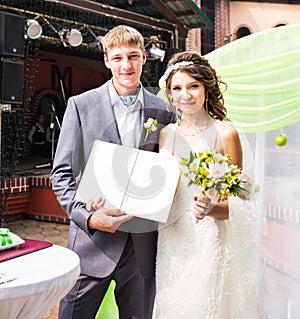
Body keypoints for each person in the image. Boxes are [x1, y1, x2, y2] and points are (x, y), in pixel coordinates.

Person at [50, 25, 174, 319]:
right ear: (107, 60)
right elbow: (61, 174)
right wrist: (89, 217)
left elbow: (168, 172)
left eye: (133, 56)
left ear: (144, 57)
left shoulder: (163, 111)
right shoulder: (81, 105)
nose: (126, 65)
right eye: (118, 58)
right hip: (92, 245)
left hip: (142, 248)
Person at [154, 51, 265, 318]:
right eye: (177, 88)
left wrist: (210, 208)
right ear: (170, 93)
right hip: (172, 237)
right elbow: (160, 190)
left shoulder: (225, 133)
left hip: (208, 239)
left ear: (207, 88)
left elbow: (238, 205)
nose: (186, 94)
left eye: (193, 86)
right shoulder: (165, 134)